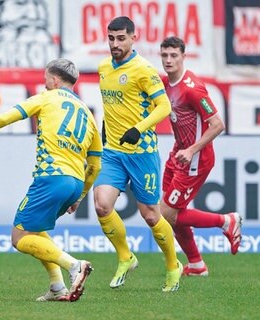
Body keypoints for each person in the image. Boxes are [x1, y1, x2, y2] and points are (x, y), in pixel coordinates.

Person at [0, 58, 103, 302]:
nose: (44, 83)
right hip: (74, 182)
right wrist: (80, 196)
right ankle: (57, 286)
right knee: (35, 229)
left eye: (46, 79)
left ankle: (74, 265)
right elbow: (95, 165)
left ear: (55, 80)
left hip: (51, 178)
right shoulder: (88, 114)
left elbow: (5, 118)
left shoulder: (47, 97)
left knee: (19, 238)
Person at [93, 16, 182, 292]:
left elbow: (164, 106)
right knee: (101, 205)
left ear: (133, 38)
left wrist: (140, 128)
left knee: (152, 216)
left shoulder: (144, 70)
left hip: (142, 152)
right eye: (111, 38)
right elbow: (112, 107)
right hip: (113, 152)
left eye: (121, 38)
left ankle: (172, 265)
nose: (115, 43)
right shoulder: (103, 68)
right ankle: (125, 256)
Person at [159, 36, 242, 276]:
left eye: (174, 55)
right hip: (179, 154)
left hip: (195, 159)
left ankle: (226, 221)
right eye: (164, 55)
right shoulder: (166, 83)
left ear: (184, 57)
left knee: (165, 214)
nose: (168, 60)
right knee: (171, 213)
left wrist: (192, 149)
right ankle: (196, 264)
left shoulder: (191, 89)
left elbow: (217, 124)